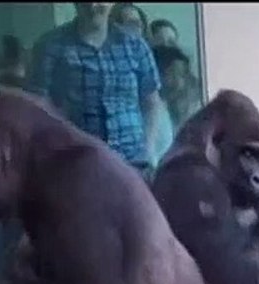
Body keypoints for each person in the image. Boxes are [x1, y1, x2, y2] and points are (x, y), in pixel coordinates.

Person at [27, 2, 164, 177]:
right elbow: (38, 105)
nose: (92, 5)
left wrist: (149, 149)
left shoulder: (135, 45)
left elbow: (151, 102)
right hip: (78, 165)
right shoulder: (50, 46)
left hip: (134, 165)